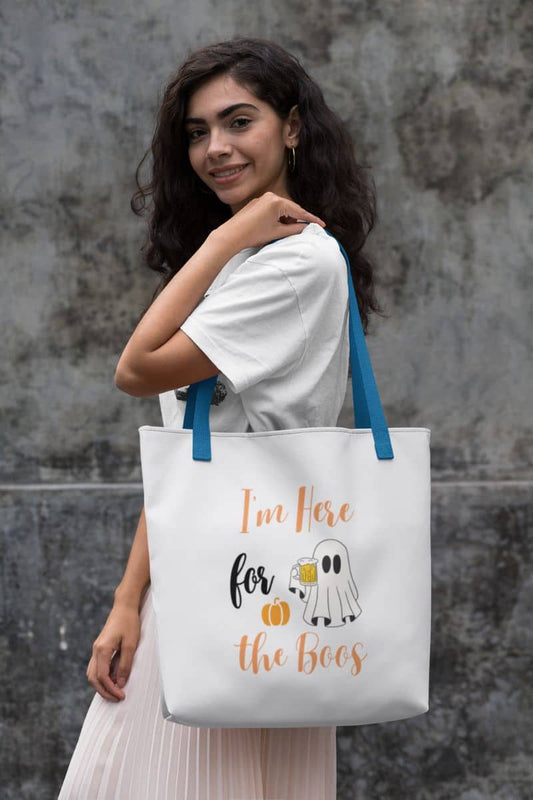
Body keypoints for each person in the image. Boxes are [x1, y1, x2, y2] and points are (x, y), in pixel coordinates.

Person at [57, 36, 381, 799]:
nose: (215, 148)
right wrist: (129, 601)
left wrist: (228, 234)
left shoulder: (293, 260)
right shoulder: (251, 258)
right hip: (215, 579)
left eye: (239, 121)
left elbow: (136, 370)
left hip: (240, 588)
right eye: (197, 132)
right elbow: (192, 451)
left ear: (292, 127)